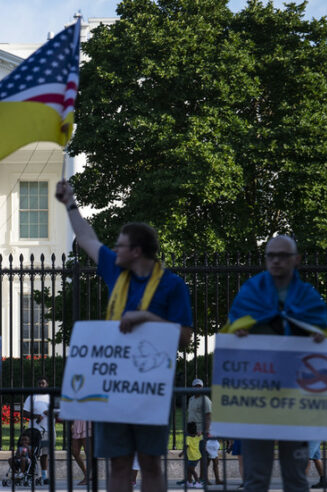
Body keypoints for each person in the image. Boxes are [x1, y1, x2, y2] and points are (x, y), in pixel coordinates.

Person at [55, 180, 193, 492]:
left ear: (136, 251)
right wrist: (70, 204)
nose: (113, 249)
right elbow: (87, 237)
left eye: (119, 245)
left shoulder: (172, 285)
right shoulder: (116, 271)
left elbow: (185, 339)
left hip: (149, 388)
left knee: (149, 463)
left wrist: (146, 317)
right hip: (113, 388)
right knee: (117, 464)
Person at [222, 235, 327, 492]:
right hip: (257, 397)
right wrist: (239, 332)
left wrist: (319, 335)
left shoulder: (308, 297)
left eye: (283, 255)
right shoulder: (251, 291)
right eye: (271, 255)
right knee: (256, 478)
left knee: (296, 478)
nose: (276, 261)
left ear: (297, 260)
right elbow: (230, 331)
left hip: (296, 400)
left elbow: (324, 334)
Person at [187, 378, 221, 485]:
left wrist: (204, 431)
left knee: (202, 456)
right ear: (193, 388)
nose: (198, 388)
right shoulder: (191, 399)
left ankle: (203, 478)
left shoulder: (205, 399)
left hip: (201, 432)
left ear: (202, 387)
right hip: (191, 431)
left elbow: (208, 416)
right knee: (191, 454)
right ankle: (190, 479)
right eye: (196, 386)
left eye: (199, 386)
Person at [22, 376, 55, 484]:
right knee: (33, 453)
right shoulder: (32, 397)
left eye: (43, 383)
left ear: (47, 385)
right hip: (34, 430)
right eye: (39, 383)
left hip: (48, 430)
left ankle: (44, 476)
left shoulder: (51, 397)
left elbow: (59, 411)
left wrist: (49, 412)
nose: (41, 385)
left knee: (45, 453)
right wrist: (37, 416)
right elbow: (25, 413)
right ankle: (30, 474)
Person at [177, 422, 202, 488]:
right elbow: (201, 434)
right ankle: (189, 482)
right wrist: (198, 433)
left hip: (192, 457)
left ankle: (198, 482)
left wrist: (181, 453)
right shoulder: (197, 437)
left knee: (192, 471)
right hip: (197, 456)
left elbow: (186, 446)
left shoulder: (188, 438)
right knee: (189, 470)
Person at [71, 419, 91, 486]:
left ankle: (87, 477)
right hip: (76, 422)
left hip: (87, 422)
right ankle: (86, 474)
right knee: (74, 452)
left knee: (88, 452)